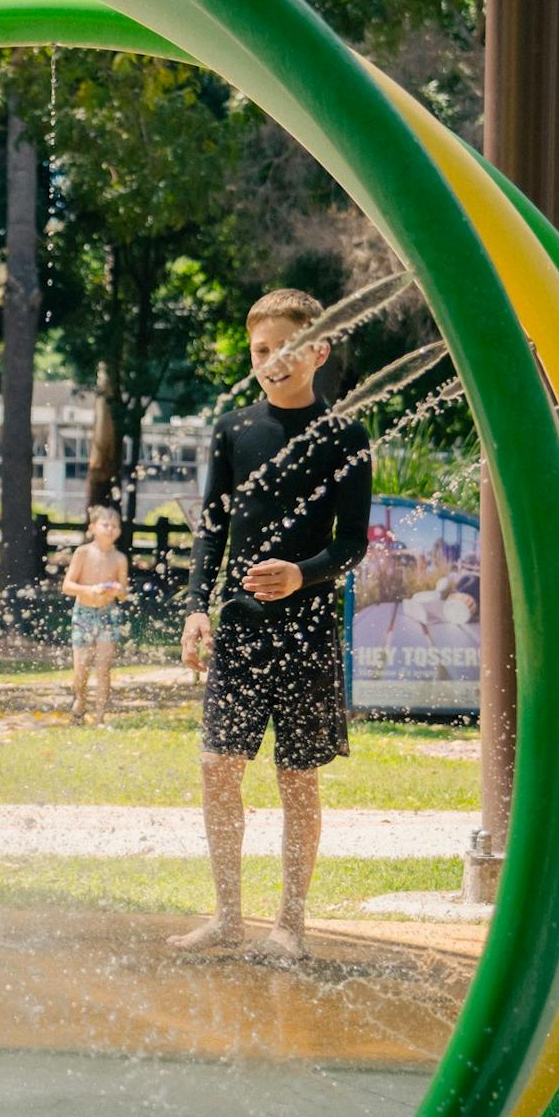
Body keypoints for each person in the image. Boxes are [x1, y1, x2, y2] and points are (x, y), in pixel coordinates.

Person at [172, 288, 372, 964]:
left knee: (297, 777)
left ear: (318, 351)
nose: (273, 361)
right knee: (216, 766)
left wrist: (302, 574)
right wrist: (198, 607)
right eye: (262, 351)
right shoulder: (234, 431)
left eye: (287, 348)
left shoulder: (344, 436)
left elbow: (352, 545)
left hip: (309, 628)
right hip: (239, 626)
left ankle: (291, 923)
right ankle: (227, 915)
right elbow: (211, 529)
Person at [61, 505, 130, 724]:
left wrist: (119, 591)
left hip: (108, 614)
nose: (110, 529)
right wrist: (89, 590)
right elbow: (67, 586)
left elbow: (124, 594)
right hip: (83, 614)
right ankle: (80, 700)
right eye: (105, 524)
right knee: (81, 669)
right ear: (93, 528)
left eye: (115, 526)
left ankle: (100, 717)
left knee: (103, 668)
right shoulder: (83, 553)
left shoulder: (119, 558)